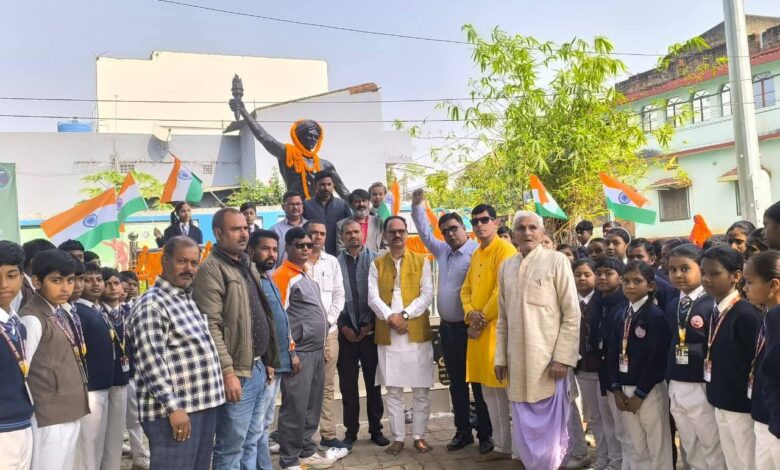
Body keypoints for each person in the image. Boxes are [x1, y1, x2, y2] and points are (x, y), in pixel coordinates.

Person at [191, 208, 278, 470]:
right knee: (230, 447)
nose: (244, 234)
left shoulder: (246, 263)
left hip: (258, 366)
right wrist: (228, 372)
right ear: (218, 233)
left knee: (252, 439)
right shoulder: (211, 270)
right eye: (236, 229)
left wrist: (268, 358)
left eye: (245, 228)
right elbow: (210, 326)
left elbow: (259, 312)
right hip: (237, 373)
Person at [129, 236, 225, 469]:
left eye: (194, 263)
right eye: (181, 261)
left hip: (201, 405)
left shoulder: (186, 298)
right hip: (174, 413)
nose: (189, 268)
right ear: (164, 261)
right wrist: (173, 408)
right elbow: (151, 362)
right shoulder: (152, 304)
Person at [494, 211, 580, 469]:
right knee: (524, 427)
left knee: (551, 434)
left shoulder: (556, 261)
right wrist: (500, 358)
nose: (527, 233)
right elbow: (503, 318)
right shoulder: (506, 266)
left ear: (542, 233)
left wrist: (563, 358)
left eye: (533, 227)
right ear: (514, 234)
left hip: (549, 364)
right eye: (521, 228)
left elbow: (572, 314)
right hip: (518, 363)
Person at [409, 189, 489, 453]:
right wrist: (417, 205)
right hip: (448, 329)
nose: (450, 234)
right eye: (445, 231)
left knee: (478, 382)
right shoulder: (443, 251)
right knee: (456, 382)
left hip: (472, 329)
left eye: (454, 228)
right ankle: (463, 431)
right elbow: (424, 234)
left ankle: (486, 434)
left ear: (464, 228)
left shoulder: (477, 253)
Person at [273, 227, 340, 469]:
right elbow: (279, 318)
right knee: (295, 407)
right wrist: (290, 352)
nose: (305, 249)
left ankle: (306, 451)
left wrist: (322, 345)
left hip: (316, 350)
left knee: (312, 405)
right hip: (299, 353)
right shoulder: (283, 275)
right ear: (288, 247)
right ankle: (290, 459)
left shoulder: (306, 274)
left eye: (308, 245)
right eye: (299, 245)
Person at [367, 216, 435, 456]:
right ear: (385, 235)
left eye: (401, 231)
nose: (397, 235)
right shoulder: (376, 263)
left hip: (416, 331)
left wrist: (404, 315)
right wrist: (391, 317)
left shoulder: (422, 261)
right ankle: (397, 437)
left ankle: (419, 436)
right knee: (393, 390)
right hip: (388, 333)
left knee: (421, 389)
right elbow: (372, 297)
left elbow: (427, 294)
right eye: (392, 231)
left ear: (407, 234)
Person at [20, 249, 89, 470]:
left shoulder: (58, 312)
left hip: (70, 410)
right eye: (56, 280)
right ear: (37, 282)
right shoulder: (32, 318)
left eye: (70, 280)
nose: (66, 287)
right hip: (48, 415)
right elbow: (21, 372)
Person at [461, 203, 517, 462]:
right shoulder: (477, 253)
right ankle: (502, 446)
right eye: (475, 221)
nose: (479, 225)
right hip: (479, 334)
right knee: (488, 394)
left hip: (497, 332)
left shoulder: (505, 250)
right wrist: (469, 313)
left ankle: (518, 450)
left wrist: (479, 318)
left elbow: (501, 291)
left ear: (496, 222)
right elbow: (466, 290)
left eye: (484, 220)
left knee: (507, 393)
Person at [664, 244, 726, 469]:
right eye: (672, 270)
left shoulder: (711, 303)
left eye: (685, 268)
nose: (678, 274)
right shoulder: (673, 304)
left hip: (701, 383)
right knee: (689, 441)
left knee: (710, 442)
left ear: (701, 269)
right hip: (677, 382)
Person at [607, 261, 673, 470]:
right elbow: (612, 354)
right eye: (626, 281)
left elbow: (657, 360)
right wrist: (616, 389)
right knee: (636, 444)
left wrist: (640, 394)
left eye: (637, 281)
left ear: (651, 286)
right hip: (625, 387)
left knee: (657, 444)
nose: (630, 286)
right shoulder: (621, 314)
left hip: (649, 389)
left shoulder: (655, 316)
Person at [701, 246, 762, 470]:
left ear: (736, 276)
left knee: (747, 460)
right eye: (703, 272)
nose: (706, 279)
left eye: (714, 273)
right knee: (731, 459)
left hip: (741, 403)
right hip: (721, 399)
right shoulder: (715, 310)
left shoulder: (745, 314)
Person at [335, 219, 389, 448]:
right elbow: (330, 298)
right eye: (348, 233)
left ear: (363, 234)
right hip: (345, 333)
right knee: (348, 385)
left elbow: (383, 295)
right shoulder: (334, 263)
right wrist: (343, 326)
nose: (353, 236)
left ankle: (376, 429)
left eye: (356, 231)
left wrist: (371, 324)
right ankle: (351, 431)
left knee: (373, 384)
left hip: (371, 333)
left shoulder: (376, 260)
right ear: (342, 237)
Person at [245, 229, 296, 470]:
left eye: (275, 249)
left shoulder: (268, 278)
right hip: (265, 365)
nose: (271, 254)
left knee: (264, 423)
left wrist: (290, 352)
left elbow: (280, 318)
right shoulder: (250, 280)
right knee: (255, 427)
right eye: (265, 249)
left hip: (278, 361)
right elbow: (256, 325)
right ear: (251, 250)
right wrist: (267, 360)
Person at [304, 220, 349, 450]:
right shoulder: (296, 262)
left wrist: (327, 322)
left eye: (322, 233)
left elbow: (339, 295)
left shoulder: (332, 262)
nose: (317, 237)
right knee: (304, 386)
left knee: (327, 385)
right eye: (313, 233)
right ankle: (303, 437)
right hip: (303, 336)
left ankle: (328, 434)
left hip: (329, 332)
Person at [572, 258, 619, 470]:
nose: (582, 278)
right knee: (594, 417)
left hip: (603, 369)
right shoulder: (570, 300)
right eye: (578, 274)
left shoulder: (603, 302)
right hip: (583, 367)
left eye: (587, 274)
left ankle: (616, 461)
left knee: (610, 418)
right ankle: (602, 459)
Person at [71, 262, 117, 470]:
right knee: (88, 447)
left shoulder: (96, 310)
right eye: (87, 280)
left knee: (98, 444)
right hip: (90, 389)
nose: (95, 284)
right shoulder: (79, 312)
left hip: (103, 387)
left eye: (98, 279)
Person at [742, 250, 780, 468]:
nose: (744, 288)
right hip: (763, 416)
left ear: (773, 284)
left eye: (749, 282)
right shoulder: (766, 315)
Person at [591, 256, 629, 468]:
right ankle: (614, 461)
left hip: (618, 373)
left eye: (608, 273)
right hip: (601, 370)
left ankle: (623, 463)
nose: (602, 278)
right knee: (606, 419)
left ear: (620, 278)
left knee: (622, 424)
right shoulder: (598, 302)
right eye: (598, 273)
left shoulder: (624, 304)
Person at [0, 241, 34, 470]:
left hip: (22, 421)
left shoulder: (17, 323)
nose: (3, 284)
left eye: (11, 275)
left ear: (22, 277)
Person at [98, 268, 130, 470]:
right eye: (107, 284)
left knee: (116, 431)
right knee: (98, 434)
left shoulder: (128, 312)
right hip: (101, 382)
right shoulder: (97, 313)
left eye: (116, 283)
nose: (112, 288)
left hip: (124, 378)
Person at [303, 171, 352, 256]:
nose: (326, 188)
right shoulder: (306, 206)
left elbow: (349, 227)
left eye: (329, 184)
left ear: (333, 185)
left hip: (339, 254)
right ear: (315, 186)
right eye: (322, 184)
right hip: (313, 253)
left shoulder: (342, 205)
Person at [629, 238, 677, 309]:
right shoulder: (625, 284)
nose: (634, 260)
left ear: (652, 260)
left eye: (639, 257)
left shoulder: (665, 287)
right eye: (630, 257)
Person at [337, 189, 386, 253]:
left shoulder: (379, 222)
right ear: (350, 205)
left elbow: (386, 246)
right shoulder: (341, 224)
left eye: (364, 201)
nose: (361, 204)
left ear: (368, 203)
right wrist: (357, 257)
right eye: (357, 201)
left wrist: (375, 257)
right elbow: (340, 250)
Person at [12, 239, 55, 312]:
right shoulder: (18, 286)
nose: (54, 265)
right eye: (51, 260)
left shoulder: (38, 284)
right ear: (33, 261)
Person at [270, 190, 308, 267]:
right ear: (283, 207)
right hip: (283, 273)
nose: (295, 207)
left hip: (308, 272)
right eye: (291, 204)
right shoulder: (275, 230)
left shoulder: (310, 227)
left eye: (298, 204)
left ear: (302, 206)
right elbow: (270, 257)